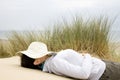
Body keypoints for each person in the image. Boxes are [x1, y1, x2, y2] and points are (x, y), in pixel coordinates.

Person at [18, 41, 120, 80]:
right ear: (37, 61)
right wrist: (88, 56)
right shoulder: (55, 63)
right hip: (104, 72)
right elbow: (84, 74)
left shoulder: (52, 60)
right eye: (39, 52)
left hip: (101, 65)